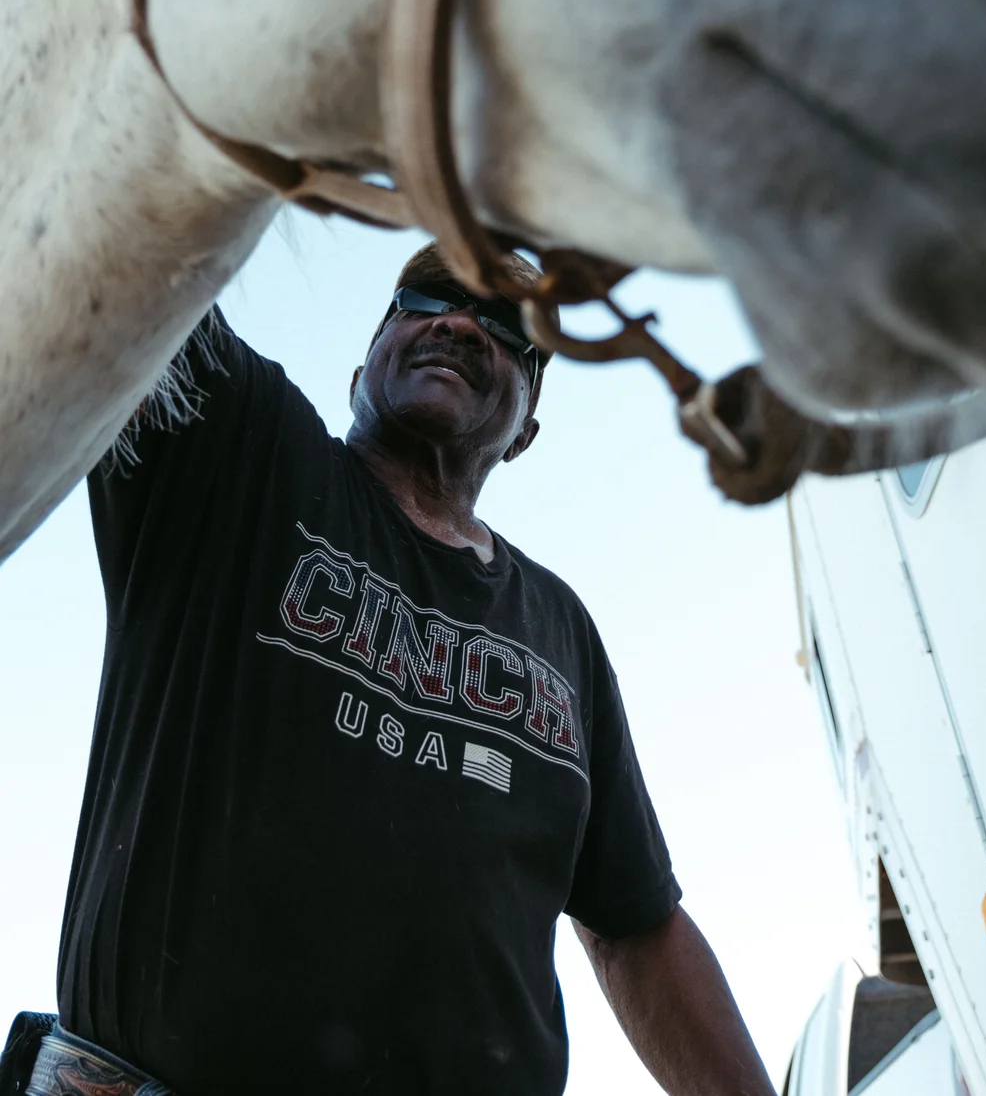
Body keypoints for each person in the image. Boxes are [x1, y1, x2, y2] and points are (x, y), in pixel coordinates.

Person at [9, 245, 777, 1096]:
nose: (456, 323)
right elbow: (129, 249)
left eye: (503, 325)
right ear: (357, 372)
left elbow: (641, 929)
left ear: (525, 431)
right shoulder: (234, 448)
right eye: (424, 301)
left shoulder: (560, 630)